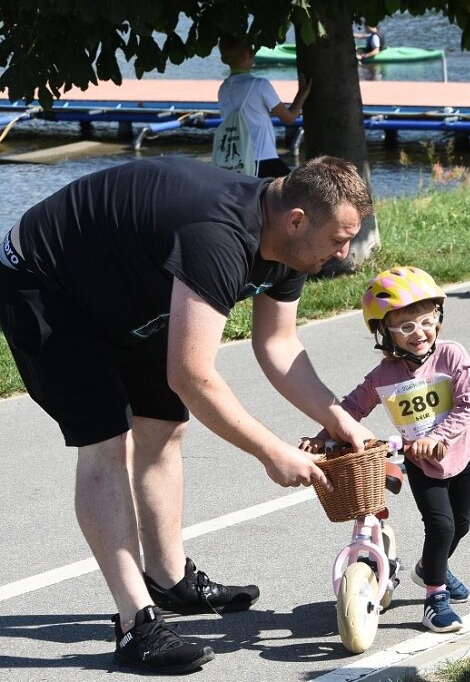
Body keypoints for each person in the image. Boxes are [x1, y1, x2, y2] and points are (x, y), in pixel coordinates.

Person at [0, 155, 376, 674]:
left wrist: (340, 418)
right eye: (339, 238)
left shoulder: (290, 248)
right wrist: (272, 453)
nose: (344, 252)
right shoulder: (217, 236)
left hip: (125, 287)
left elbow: (279, 345)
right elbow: (192, 376)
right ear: (297, 219)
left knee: (163, 424)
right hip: (46, 281)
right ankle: (136, 626)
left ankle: (170, 579)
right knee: (108, 440)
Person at [300, 267, 470, 633]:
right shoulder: (383, 377)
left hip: (461, 453)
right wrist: (322, 436)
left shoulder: (452, 355)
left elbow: (468, 405)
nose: (419, 333)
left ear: (438, 319)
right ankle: (435, 597)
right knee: (441, 525)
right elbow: (350, 410)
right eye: (406, 327)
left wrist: (441, 437)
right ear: (386, 333)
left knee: (460, 525)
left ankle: (431, 568)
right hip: (420, 461)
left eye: (427, 321)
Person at [217, 34, 311, 178]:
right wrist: (301, 95)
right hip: (264, 159)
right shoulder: (260, 85)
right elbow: (289, 118)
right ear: (251, 54)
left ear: (223, 58)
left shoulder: (223, 89)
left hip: (236, 163)